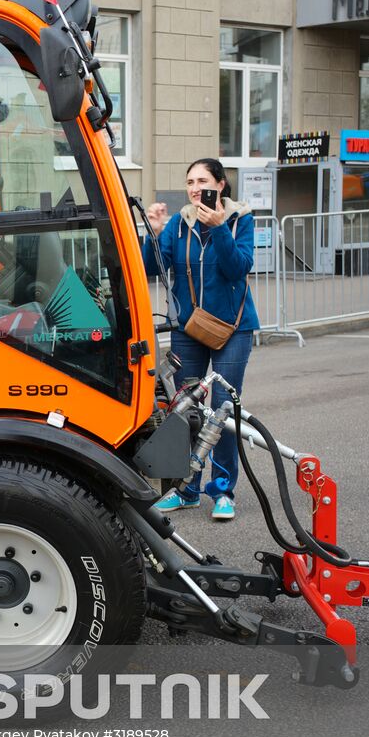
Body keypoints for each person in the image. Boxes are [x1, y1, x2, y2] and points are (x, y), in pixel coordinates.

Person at [144, 158, 259, 521]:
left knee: (222, 411)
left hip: (232, 330)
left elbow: (238, 267)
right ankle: (186, 489)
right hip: (189, 329)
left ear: (221, 185)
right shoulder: (180, 223)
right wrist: (155, 231)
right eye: (190, 181)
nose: (196, 188)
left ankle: (222, 490)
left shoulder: (241, 220)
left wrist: (221, 228)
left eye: (203, 181)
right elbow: (153, 268)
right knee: (186, 411)